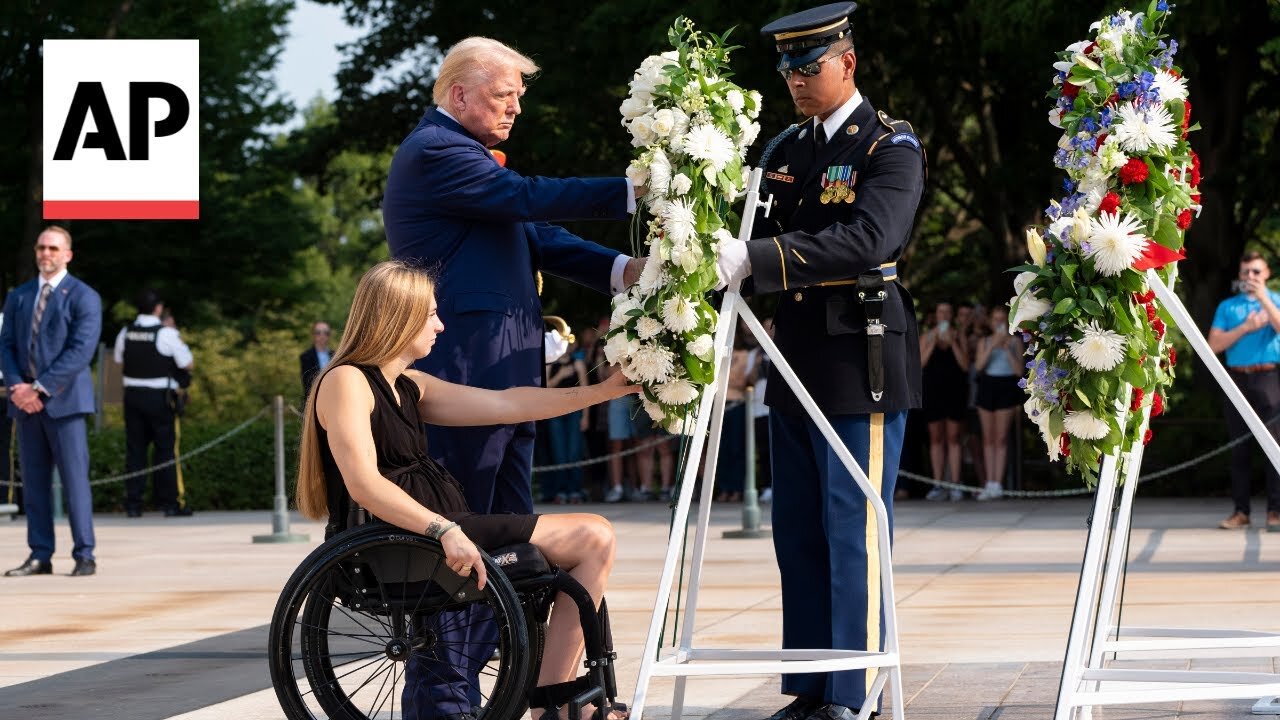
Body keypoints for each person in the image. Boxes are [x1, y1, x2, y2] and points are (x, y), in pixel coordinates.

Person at [293, 260, 636, 720]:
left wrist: (603, 392)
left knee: (593, 538)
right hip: (404, 542)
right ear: (400, 315)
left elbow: (507, 403)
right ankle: (552, 705)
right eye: (431, 313)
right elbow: (365, 484)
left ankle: (556, 701)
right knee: (593, 536)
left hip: (438, 530)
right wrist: (443, 530)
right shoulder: (346, 381)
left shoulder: (408, 384)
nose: (440, 324)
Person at [714, 5, 927, 718]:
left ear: (848, 63)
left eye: (810, 68)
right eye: (788, 70)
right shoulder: (784, 148)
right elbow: (755, 227)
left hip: (856, 354)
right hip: (794, 353)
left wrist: (759, 259)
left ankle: (854, 691)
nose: (797, 82)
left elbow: (871, 236)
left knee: (851, 526)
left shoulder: (889, 146)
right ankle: (811, 687)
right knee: (798, 529)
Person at [383, 34, 645, 519]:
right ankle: (468, 601)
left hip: (501, 362)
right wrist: (633, 190)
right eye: (505, 94)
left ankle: (504, 598)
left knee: (509, 520)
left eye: (519, 96)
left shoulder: (465, 156)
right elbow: (528, 198)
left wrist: (623, 270)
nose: (517, 108)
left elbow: (537, 237)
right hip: (468, 362)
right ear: (459, 95)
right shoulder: (436, 151)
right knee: (471, 514)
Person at [0, 226, 102, 577]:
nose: (46, 253)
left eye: (54, 248)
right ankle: (40, 554)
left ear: (67, 254)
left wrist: (39, 389)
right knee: (33, 485)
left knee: (75, 484)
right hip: (25, 406)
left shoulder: (84, 296)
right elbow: (7, 345)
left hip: (65, 405)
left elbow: (80, 351)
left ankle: (84, 554)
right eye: (42, 247)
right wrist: (16, 386)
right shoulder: (19, 296)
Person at [1209, 250, 1280, 530]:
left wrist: (1264, 299)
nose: (1250, 277)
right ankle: (1241, 511)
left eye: (1256, 272)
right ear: (1239, 275)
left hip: (1269, 378)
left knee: (1274, 447)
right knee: (1239, 448)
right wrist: (1246, 327)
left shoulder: (1275, 301)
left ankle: (1275, 511)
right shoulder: (1228, 307)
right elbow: (1214, 344)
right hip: (1236, 379)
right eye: (1246, 272)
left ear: (1266, 275)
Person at [114, 289, 196, 517]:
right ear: (158, 308)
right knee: (165, 451)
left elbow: (120, 359)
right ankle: (170, 503)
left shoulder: (126, 332)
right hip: (159, 399)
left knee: (135, 451)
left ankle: (133, 504)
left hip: (132, 397)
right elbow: (187, 363)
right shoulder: (166, 334)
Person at [972, 306, 1025, 500]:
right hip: (987, 385)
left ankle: (998, 483)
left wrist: (1007, 349)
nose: (998, 323)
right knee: (988, 438)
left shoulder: (1015, 342)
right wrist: (992, 346)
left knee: (1001, 438)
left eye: (1002, 319)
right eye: (995, 319)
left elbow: (1019, 371)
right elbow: (978, 366)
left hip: (1007, 386)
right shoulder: (984, 341)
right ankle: (989, 482)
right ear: (991, 322)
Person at [920, 301, 971, 500]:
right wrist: (933, 342)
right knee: (936, 438)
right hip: (932, 390)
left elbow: (966, 365)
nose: (944, 315)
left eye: (947, 311)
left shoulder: (959, 335)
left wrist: (954, 343)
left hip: (954, 390)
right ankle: (938, 483)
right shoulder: (926, 336)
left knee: (953, 437)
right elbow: (920, 363)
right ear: (936, 314)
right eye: (940, 311)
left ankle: (955, 483)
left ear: (951, 315)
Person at [299, 321, 332, 401]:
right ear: (313, 335)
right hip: (314, 399)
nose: (322, 335)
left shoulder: (336, 355)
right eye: (318, 332)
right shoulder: (306, 356)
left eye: (326, 333)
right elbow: (307, 382)